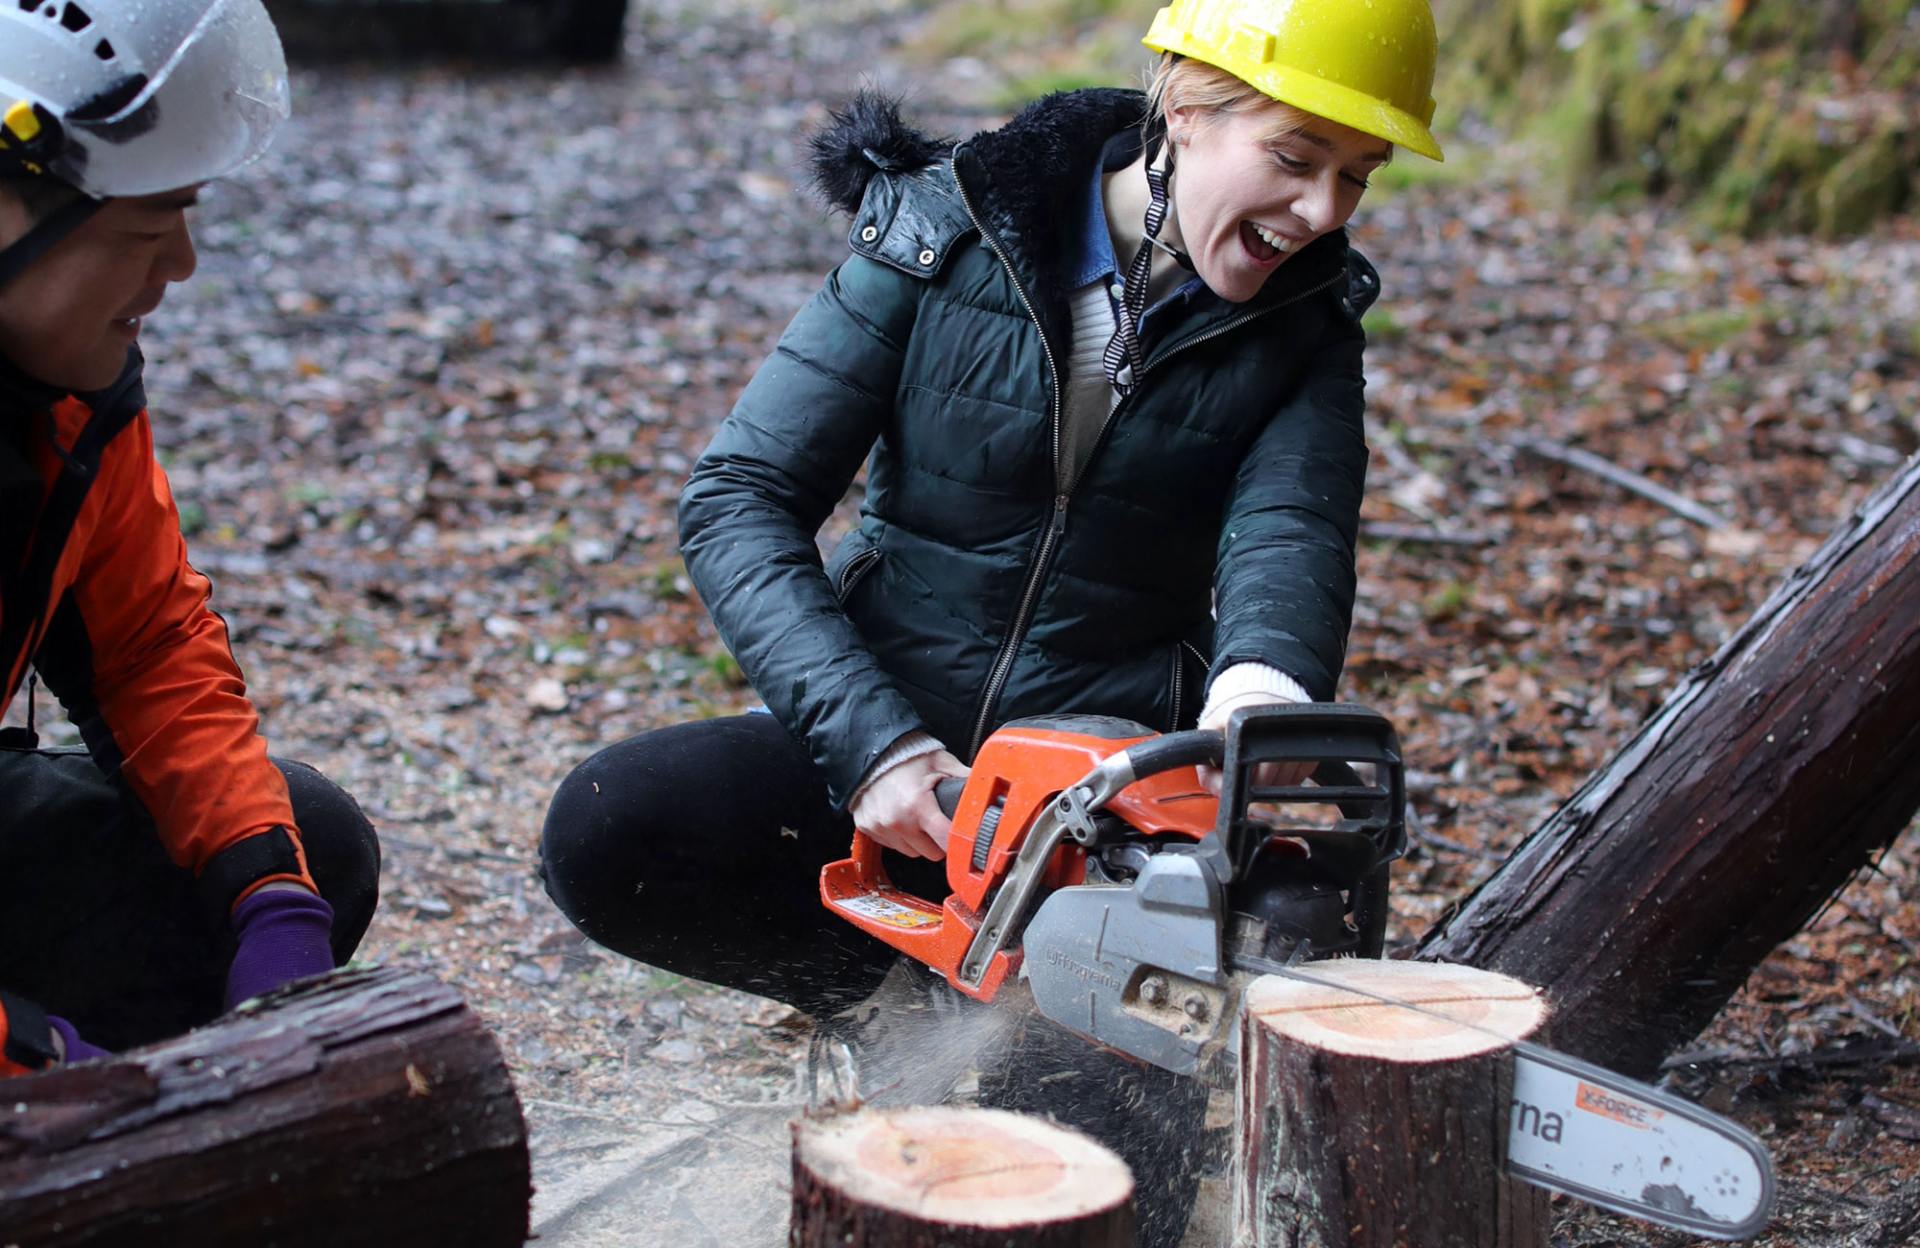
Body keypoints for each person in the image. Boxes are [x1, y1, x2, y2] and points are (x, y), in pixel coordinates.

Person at [544, 0, 1442, 1239]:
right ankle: (887, 995)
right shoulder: (953, 221)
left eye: (1359, 177)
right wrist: (873, 746)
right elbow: (740, 496)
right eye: (1295, 160)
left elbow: (1291, 533)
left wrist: (1257, 699)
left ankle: (1036, 1033)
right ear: (1184, 105)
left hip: (1101, 806)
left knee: (1082, 1172)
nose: (1325, 212)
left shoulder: (1304, 326)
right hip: (895, 750)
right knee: (613, 828)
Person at [0, 0, 379, 1079]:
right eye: (144, 227)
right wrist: (41, 1067)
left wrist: (272, 903)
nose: (182, 266)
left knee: (312, 844)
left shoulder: (65, 398)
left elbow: (146, 649)